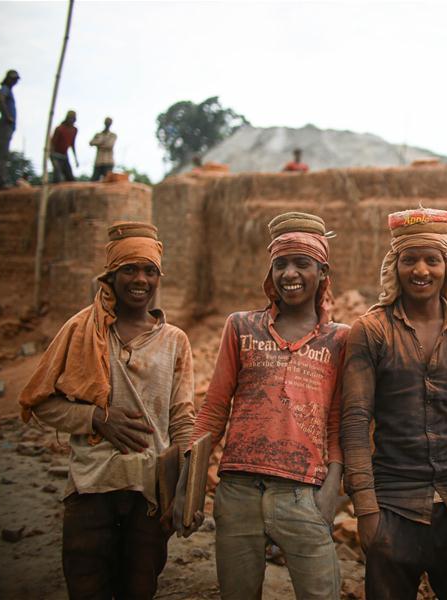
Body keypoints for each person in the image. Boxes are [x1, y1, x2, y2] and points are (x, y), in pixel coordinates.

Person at [18, 221, 195, 599]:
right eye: (129, 269)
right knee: (86, 585)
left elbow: (182, 417)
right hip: (91, 488)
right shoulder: (82, 330)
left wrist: (184, 487)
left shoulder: (175, 340)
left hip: (148, 494)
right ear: (110, 276)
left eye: (150, 270)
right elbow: (41, 401)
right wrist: (96, 418)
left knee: (139, 587)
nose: (140, 280)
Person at [176, 212, 347, 599]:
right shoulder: (241, 327)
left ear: (322, 272)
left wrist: (330, 492)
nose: (290, 274)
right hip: (237, 491)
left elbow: (338, 420)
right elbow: (215, 408)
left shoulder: (340, 340)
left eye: (302, 263)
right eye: (280, 264)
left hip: (304, 493)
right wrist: (190, 481)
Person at [342, 207, 447, 600]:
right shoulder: (371, 331)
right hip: (393, 506)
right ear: (394, 265)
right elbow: (354, 421)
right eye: (409, 259)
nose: (421, 270)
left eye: (433, 260)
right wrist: (366, 510)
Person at [0, 69, 20, 189]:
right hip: (5, 124)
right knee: (3, 154)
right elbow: (1, 100)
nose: (14, 82)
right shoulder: (5, 89)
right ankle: (0, 181)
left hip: (8, 125)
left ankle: (1, 180)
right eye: (13, 79)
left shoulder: (9, 90)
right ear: (8, 79)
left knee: (4, 154)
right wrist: (8, 116)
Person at [51, 110, 79, 183]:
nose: (72, 121)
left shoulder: (74, 130)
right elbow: (53, 143)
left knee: (70, 177)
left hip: (64, 156)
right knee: (57, 177)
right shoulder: (59, 129)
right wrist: (51, 155)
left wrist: (75, 159)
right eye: (70, 118)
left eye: (73, 119)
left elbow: (72, 144)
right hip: (56, 155)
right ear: (67, 118)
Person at [90, 117, 117, 181]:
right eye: (107, 122)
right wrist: (103, 142)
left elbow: (109, 145)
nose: (108, 124)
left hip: (108, 162)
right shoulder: (98, 134)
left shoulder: (112, 135)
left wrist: (99, 144)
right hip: (98, 161)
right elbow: (91, 142)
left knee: (107, 181)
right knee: (94, 180)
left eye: (109, 123)